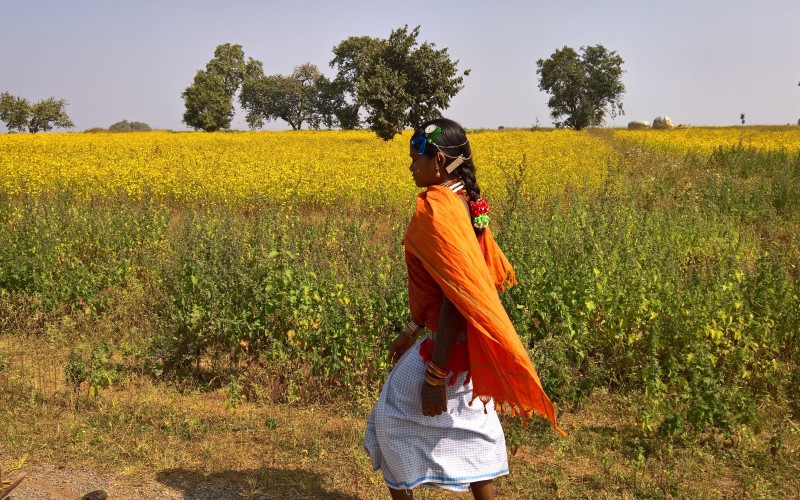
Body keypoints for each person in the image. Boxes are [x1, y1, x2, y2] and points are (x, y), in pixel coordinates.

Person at [364, 118, 564, 499]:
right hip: (469, 345)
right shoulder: (463, 203)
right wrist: (410, 330)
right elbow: (445, 289)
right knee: (472, 425)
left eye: (414, 159)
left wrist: (436, 374)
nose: (410, 168)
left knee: (389, 418)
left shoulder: (437, 211)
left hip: (448, 350)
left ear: (437, 160)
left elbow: (458, 295)